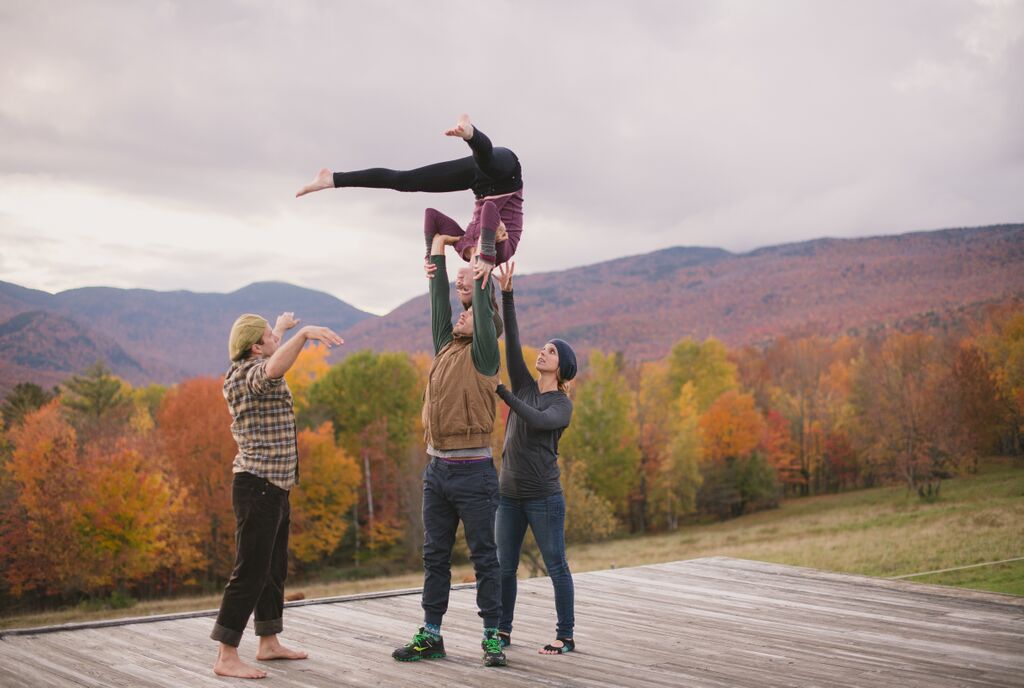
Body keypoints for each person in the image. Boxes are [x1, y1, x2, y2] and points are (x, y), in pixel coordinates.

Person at [390, 233, 507, 668]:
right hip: (436, 471)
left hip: (474, 473)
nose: (460, 316)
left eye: (469, 312)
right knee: (434, 556)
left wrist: (482, 262)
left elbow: (482, 302)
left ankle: (492, 636)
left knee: (484, 558)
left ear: (484, 320)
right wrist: (435, 249)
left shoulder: (484, 354)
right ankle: (432, 634)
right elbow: (439, 301)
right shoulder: (445, 345)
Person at [211, 312, 343, 679]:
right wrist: (301, 335)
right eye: (270, 335)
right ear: (256, 347)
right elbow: (270, 371)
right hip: (257, 486)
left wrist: (281, 328)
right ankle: (226, 655)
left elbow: (269, 358)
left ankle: (268, 642)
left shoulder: (252, 361)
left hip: (275, 486)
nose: (276, 338)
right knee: (250, 571)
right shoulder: (247, 375)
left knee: (273, 570)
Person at [296, 114, 523, 266]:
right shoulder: (498, 255)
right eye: (474, 275)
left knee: (404, 180)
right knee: (486, 160)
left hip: (480, 186)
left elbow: (432, 216)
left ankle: (331, 179)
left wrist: (430, 256)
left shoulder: (463, 249)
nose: (468, 274)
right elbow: (490, 210)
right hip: (507, 176)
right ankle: (470, 133)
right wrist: (485, 254)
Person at [492, 262, 579, 655]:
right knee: (503, 568)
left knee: (556, 566)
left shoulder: (560, 404)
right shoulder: (525, 384)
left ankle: (565, 635)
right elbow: (511, 344)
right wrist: (507, 294)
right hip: (508, 497)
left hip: (544, 498)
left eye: (550, 352)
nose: (542, 353)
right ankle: (503, 631)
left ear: (562, 366)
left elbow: (540, 420)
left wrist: (506, 397)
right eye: (543, 349)